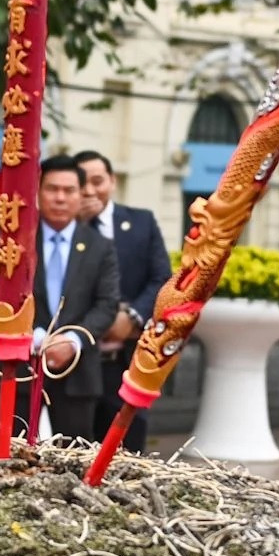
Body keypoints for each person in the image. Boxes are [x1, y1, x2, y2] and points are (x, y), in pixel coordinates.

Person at [12, 155, 120, 441]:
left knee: (73, 455)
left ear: (81, 194)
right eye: (52, 189)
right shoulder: (17, 241)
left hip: (79, 372)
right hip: (23, 367)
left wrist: (72, 340)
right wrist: (37, 338)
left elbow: (107, 305)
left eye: (69, 190)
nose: (60, 198)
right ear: (37, 191)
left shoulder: (100, 247)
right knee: (13, 451)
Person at [74, 150, 169, 454]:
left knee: (129, 446)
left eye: (97, 181)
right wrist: (79, 223)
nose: (90, 191)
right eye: (82, 184)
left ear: (112, 181)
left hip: (126, 358)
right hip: (79, 362)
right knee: (77, 448)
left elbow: (162, 279)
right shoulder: (67, 227)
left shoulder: (141, 222)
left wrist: (132, 315)